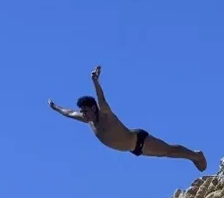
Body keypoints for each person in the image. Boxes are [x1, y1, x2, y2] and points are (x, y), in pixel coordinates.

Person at [48, 66, 208, 172]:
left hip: (139, 139)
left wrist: (95, 81)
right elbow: (68, 112)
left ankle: (196, 155)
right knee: (165, 154)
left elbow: (101, 99)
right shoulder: (87, 120)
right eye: (82, 112)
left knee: (168, 150)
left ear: (94, 108)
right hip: (133, 149)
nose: (84, 114)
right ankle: (193, 156)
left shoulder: (105, 114)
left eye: (86, 111)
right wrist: (55, 107)